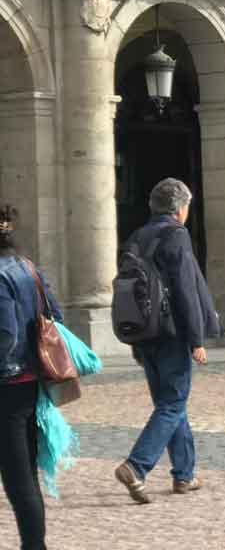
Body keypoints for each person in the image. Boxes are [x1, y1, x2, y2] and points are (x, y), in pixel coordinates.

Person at [114, 178, 217, 504]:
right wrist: (195, 338)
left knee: (170, 404)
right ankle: (136, 466)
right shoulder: (176, 235)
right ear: (180, 208)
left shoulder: (136, 237)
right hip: (171, 333)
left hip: (143, 332)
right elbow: (185, 288)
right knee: (173, 403)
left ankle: (184, 475)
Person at [0, 205, 63, 550]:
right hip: (31, 381)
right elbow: (57, 314)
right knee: (26, 474)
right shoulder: (28, 267)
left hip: (7, 384)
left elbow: (5, 333)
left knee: (17, 478)